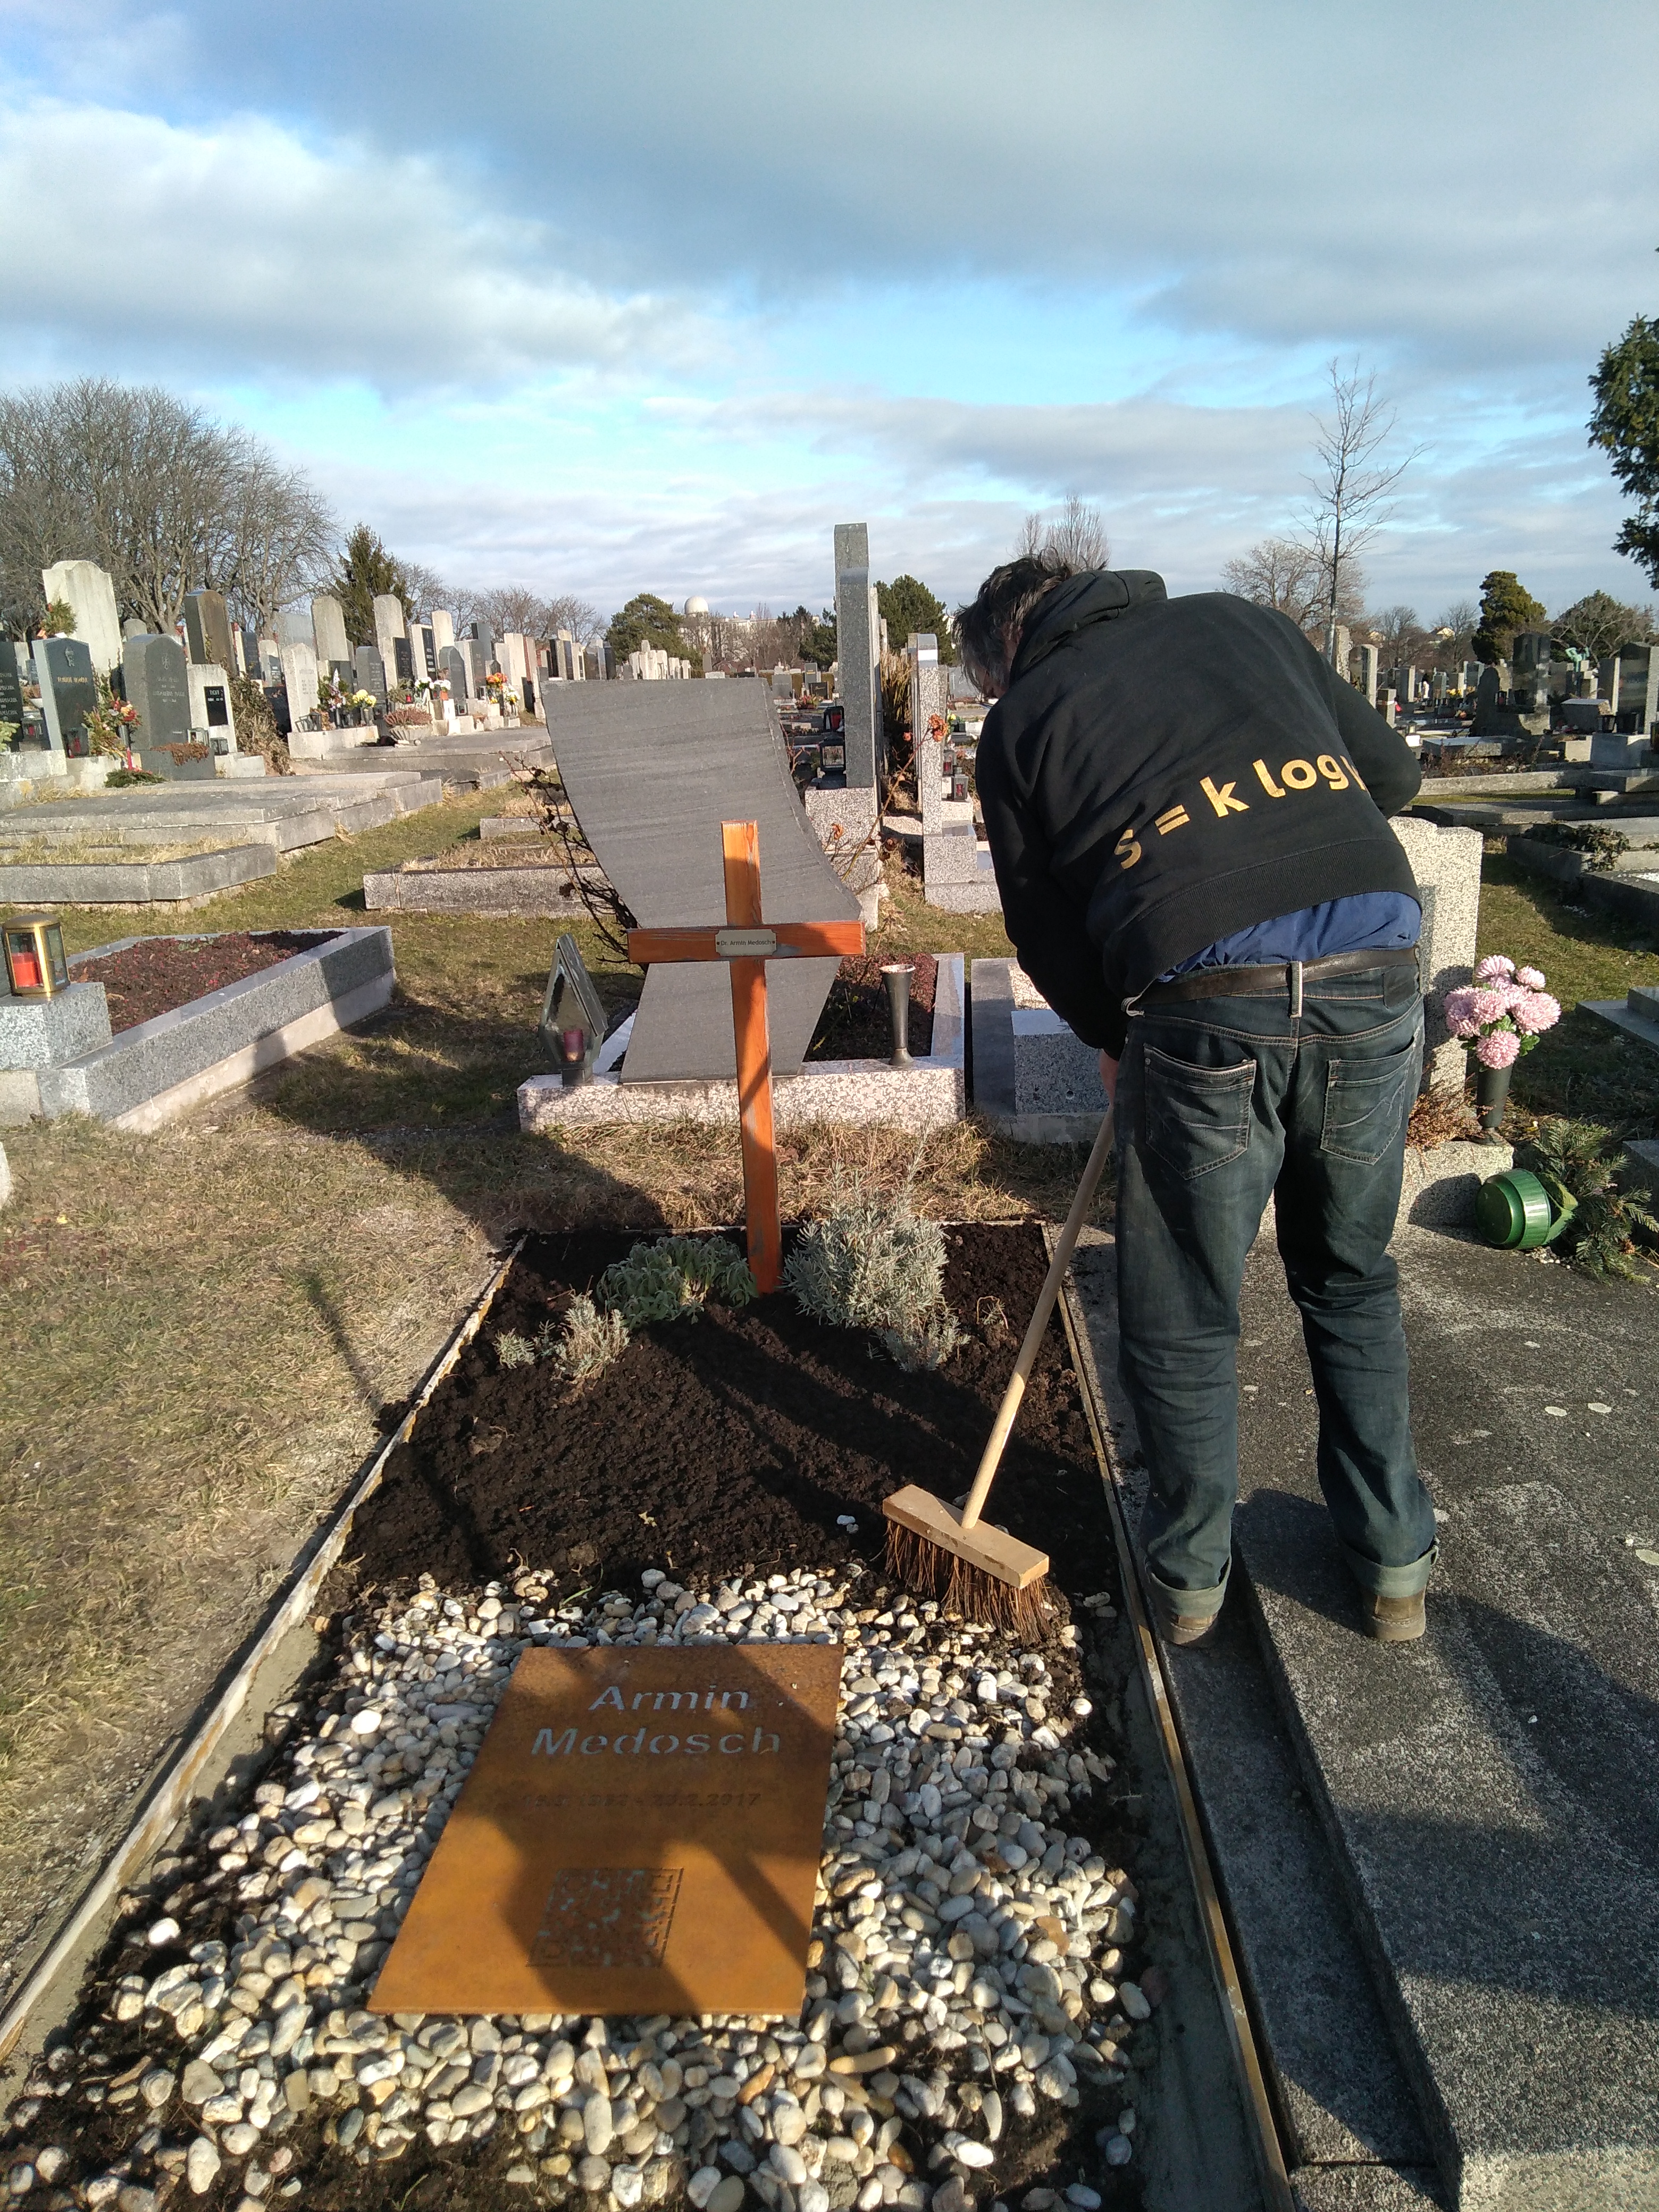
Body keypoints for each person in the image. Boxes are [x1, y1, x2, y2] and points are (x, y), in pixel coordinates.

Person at [957, 556, 1438, 1646]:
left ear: (1010, 648)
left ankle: (1186, 1585)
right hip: (1373, 969)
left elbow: (1041, 929)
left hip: (1205, 996)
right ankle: (1393, 1565)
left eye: (992, 684)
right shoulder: (1246, 623)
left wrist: (1113, 1036)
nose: (999, 700)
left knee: (1183, 1306)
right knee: (1350, 1275)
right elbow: (1395, 777)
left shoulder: (1026, 718)